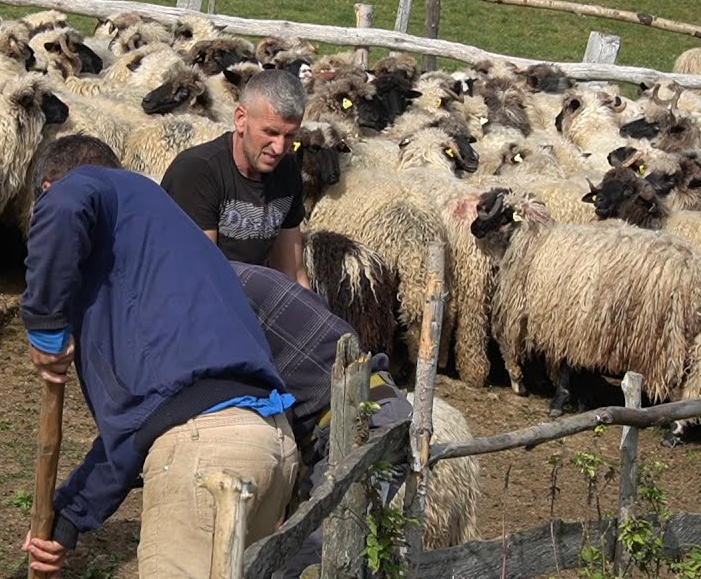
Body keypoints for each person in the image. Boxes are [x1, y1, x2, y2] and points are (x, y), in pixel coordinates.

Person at [20, 135, 299, 579]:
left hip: (207, 453)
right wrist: (65, 523)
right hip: (270, 444)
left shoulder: (82, 188)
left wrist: (45, 324)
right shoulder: (174, 253)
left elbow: (186, 430)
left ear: (49, 190)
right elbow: (148, 426)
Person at [228, 260, 409, 578]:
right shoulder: (254, 277)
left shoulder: (223, 299)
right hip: (366, 411)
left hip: (362, 424)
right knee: (327, 549)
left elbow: (260, 398)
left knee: (317, 559)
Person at [161, 69, 311, 288]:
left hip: (250, 297)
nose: (279, 148)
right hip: (196, 299)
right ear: (241, 119)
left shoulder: (286, 170)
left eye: (289, 136)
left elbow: (292, 272)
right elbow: (199, 275)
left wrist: (312, 316)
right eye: (270, 132)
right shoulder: (197, 171)